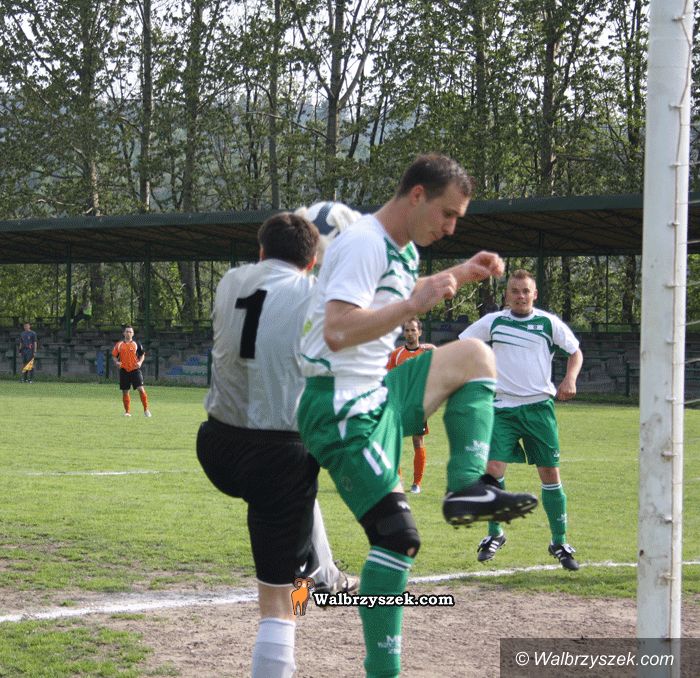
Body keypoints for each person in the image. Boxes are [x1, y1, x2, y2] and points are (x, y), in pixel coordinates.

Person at [297, 153, 538, 677]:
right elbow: (337, 330)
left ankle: (467, 487)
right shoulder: (363, 242)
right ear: (417, 195)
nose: (450, 227)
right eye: (447, 214)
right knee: (396, 538)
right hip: (338, 404)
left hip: (377, 392)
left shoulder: (401, 249)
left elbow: (399, 294)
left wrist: (461, 273)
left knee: (475, 357)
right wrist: (414, 305)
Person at [196, 212, 358, 678]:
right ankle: (312, 583)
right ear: (311, 262)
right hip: (276, 453)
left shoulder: (230, 282)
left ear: (261, 251)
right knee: (280, 600)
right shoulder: (314, 295)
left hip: (216, 443)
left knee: (300, 494)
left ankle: (323, 571)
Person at [458, 269, 583, 571]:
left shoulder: (548, 323)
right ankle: (495, 534)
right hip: (502, 408)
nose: (520, 296)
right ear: (507, 295)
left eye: (526, 291)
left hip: (539, 408)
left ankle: (559, 541)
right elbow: (463, 346)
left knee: (549, 473)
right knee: (492, 469)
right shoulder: (494, 322)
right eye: (515, 291)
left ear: (534, 294)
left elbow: (575, 352)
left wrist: (570, 379)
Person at [385, 317, 436, 494]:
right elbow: (389, 378)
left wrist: (435, 349)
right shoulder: (396, 354)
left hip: (418, 405)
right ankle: (397, 478)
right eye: (407, 330)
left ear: (419, 332)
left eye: (413, 330)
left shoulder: (427, 353)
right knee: (394, 441)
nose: (410, 333)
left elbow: (443, 364)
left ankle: (416, 483)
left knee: (417, 440)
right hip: (399, 404)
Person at [112, 326, 151, 417]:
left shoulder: (136, 344)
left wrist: (140, 362)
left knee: (141, 389)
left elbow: (142, 355)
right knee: (125, 391)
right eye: (127, 331)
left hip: (135, 370)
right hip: (124, 370)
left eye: (130, 332)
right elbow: (114, 356)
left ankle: (146, 410)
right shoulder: (119, 344)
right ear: (124, 333)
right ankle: (127, 412)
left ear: (133, 334)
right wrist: (116, 362)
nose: (128, 333)